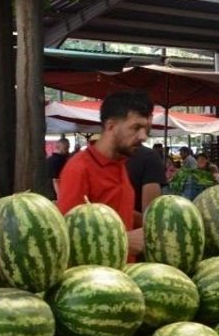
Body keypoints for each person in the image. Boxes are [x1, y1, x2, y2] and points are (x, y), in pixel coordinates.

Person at [56, 90, 152, 259]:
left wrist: (154, 223)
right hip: (99, 279)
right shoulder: (78, 169)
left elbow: (119, 212)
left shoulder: (120, 163)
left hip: (126, 275)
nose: (143, 137)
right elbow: (67, 237)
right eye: (136, 127)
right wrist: (125, 240)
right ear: (111, 126)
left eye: (146, 129)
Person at [126, 142, 168, 225]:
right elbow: (150, 220)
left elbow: (149, 220)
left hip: (134, 233)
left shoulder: (149, 157)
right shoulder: (149, 156)